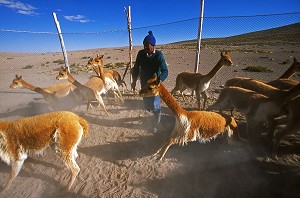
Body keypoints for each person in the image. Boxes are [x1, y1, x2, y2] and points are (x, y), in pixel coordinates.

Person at [131, 31, 169, 133]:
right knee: (148, 105)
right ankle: (154, 116)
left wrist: (158, 80)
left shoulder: (159, 55)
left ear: (153, 46)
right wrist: (134, 81)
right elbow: (136, 68)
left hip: (154, 86)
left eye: (147, 46)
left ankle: (158, 124)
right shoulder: (141, 54)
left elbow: (165, 71)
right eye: (144, 46)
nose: (145, 49)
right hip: (144, 83)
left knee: (155, 105)